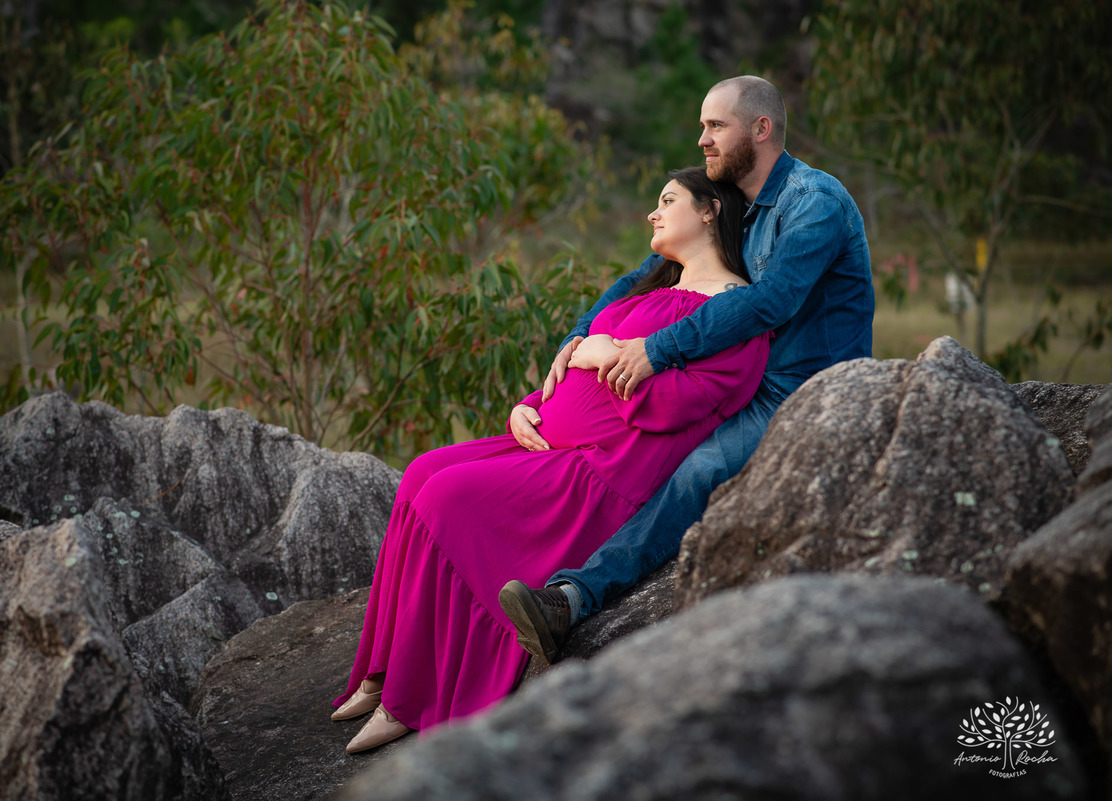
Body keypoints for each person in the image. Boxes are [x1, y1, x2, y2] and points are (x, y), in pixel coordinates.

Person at [331, 167, 772, 754]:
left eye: (668, 200)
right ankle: (383, 668)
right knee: (420, 473)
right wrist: (528, 405)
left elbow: (679, 407)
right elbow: (566, 375)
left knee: (445, 498)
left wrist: (601, 351)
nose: (653, 212)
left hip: (603, 470)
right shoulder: (648, 292)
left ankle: (412, 698)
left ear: (711, 210)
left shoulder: (736, 314)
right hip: (545, 442)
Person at [499, 75, 875, 664]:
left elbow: (769, 302)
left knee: (697, 473)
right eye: (702, 126)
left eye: (714, 126)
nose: (702, 139)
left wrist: (656, 350)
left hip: (805, 390)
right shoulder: (742, 204)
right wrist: (578, 338)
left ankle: (571, 598)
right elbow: (642, 276)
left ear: (761, 129)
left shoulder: (814, 204)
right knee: (643, 449)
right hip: (744, 379)